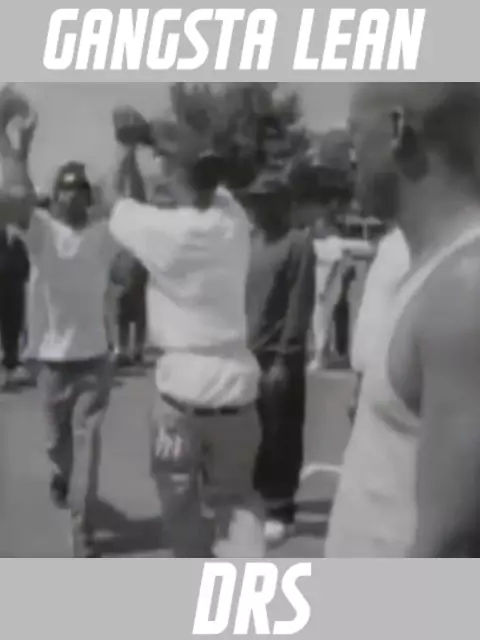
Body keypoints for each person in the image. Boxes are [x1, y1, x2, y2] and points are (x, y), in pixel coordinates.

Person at [326, 82, 480, 558]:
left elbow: (452, 544)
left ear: (397, 130)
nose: (349, 158)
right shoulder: (432, 267)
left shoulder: (464, 289)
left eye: (354, 135)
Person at [105, 107, 264, 558]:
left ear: (177, 175)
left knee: (178, 503)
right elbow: (195, 176)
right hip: (237, 390)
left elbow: (117, 200)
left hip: (182, 395)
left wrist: (128, 146)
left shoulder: (170, 231)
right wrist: (161, 144)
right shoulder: (233, 219)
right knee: (238, 500)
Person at [0, 87, 118, 557]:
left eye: (79, 189)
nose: (72, 195)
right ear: (56, 196)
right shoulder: (42, 232)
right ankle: (61, 475)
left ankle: (82, 530)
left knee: (88, 446)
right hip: (50, 362)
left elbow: (130, 202)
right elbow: (14, 199)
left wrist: (129, 151)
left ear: (88, 197)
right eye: (65, 189)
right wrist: (16, 147)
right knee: (58, 447)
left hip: (93, 360)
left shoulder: (103, 235)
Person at [245, 171, 315, 544]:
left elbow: (299, 305)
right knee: (251, 433)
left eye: (264, 202)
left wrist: (284, 359)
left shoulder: (297, 244)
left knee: (281, 434)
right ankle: (257, 501)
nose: (257, 209)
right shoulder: (250, 243)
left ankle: (281, 507)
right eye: (254, 202)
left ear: (280, 205)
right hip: (247, 354)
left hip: (277, 357)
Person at [0, 224, 30, 388]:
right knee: (11, 324)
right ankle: (9, 365)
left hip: (13, 281)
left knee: (12, 325)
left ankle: (10, 364)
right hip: (11, 279)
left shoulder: (16, 234)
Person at [109, 247, 148, 366]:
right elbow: (145, 275)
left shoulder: (119, 258)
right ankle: (136, 350)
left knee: (124, 323)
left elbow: (113, 275)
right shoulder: (140, 257)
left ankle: (125, 351)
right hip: (135, 294)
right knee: (137, 323)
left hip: (125, 294)